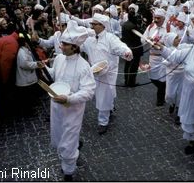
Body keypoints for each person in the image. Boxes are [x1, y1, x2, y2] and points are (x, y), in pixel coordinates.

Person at [46, 20, 96, 181]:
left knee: (68, 142)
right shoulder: (60, 59)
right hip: (56, 108)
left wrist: (69, 98)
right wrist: (43, 68)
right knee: (60, 137)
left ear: (74, 46)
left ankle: (68, 172)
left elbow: (88, 92)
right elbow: (55, 75)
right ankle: (69, 156)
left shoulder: (83, 66)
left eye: (65, 44)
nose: (61, 46)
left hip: (72, 111)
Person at [81, 13, 133, 134]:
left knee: (104, 96)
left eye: (94, 24)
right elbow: (80, 47)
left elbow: (121, 47)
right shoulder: (90, 39)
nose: (92, 26)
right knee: (103, 94)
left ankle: (103, 122)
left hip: (108, 73)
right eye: (92, 24)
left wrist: (126, 52)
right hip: (94, 72)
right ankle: (110, 108)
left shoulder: (111, 38)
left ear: (102, 25)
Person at [141, 8, 168, 106]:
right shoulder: (150, 27)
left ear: (163, 19)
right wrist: (147, 40)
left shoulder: (168, 28)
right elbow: (142, 39)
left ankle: (160, 99)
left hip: (163, 57)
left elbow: (173, 41)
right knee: (152, 77)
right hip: (153, 56)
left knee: (162, 78)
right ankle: (163, 89)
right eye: (155, 18)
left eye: (158, 18)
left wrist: (161, 43)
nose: (156, 20)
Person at [15, 33, 44, 115]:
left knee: (30, 96)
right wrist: (36, 64)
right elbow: (25, 64)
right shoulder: (21, 52)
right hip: (25, 79)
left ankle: (31, 109)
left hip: (28, 78)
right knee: (27, 97)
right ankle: (28, 112)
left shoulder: (25, 50)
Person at [121, 6, 144, 87]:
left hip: (127, 47)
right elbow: (140, 35)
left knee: (127, 65)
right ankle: (131, 82)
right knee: (133, 66)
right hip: (135, 48)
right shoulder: (133, 26)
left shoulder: (125, 24)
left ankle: (126, 80)